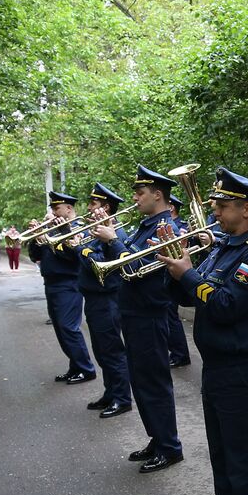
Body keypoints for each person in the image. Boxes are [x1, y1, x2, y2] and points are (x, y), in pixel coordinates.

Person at [156, 168, 248, 495]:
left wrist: (188, 275)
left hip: (239, 368)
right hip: (217, 367)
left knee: (242, 457)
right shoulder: (225, 247)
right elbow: (191, 296)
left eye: (223, 207)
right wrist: (176, 267)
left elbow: (225, 306)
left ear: (247, 208)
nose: (217, 213)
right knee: (222, 455)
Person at [99, 166, 185, 473]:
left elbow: (137, 269)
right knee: (141, 381)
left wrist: (113, 240)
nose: (135, 198)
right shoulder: (146, 224)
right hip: (134, 313)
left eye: (140, 193)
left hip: (149, 313)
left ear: (157, 195)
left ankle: (170, 446)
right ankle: (157, 437)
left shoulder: (166, 227)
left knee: (154, 383)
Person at [72, 184, 133, 418]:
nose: (88, 208)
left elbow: (102, 265)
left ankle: (122, 398)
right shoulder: (95, 230)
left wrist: (82, 250)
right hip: (94, 297)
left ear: (106, 208)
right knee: (101, 350)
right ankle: (111, 392)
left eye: (93, 204)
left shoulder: (115, 232)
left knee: (112, 350)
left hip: (108, 298)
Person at [27, 192, 96, 384]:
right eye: (52, 208)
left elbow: (73, 257)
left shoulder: (78, 228)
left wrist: (58, 232)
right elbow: (35, 256)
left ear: (69, 208)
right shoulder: (53, 230)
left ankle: (86, 368)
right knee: (60, 328)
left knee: (69, 327)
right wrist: (37, 236)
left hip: (69, 283)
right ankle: (75, 366)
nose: (53, 212)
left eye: (57, 208)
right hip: (51, 283)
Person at [165, 194, 193, 367]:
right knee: (169, 316)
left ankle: (180, 354)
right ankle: (177, 352)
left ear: (171, 207)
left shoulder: (177, 227)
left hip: (174, 276)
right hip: (171, 275)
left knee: (170, 316)